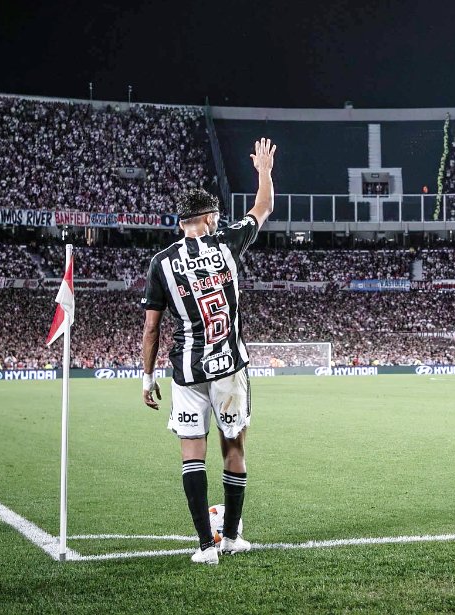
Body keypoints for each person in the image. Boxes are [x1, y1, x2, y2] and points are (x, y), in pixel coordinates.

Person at [140, 138, 276, 565]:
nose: (219, 221)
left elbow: (151, 328)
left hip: (186, 370)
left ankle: (205, 546)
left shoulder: (161, 262)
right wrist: (264, 171)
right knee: (233, 447)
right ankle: (232, 536)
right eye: (215, 216)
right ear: (206, 218)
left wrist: (147, 377)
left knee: (191, 453)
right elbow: (262, 209)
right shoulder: (227, 243)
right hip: (230, 368)